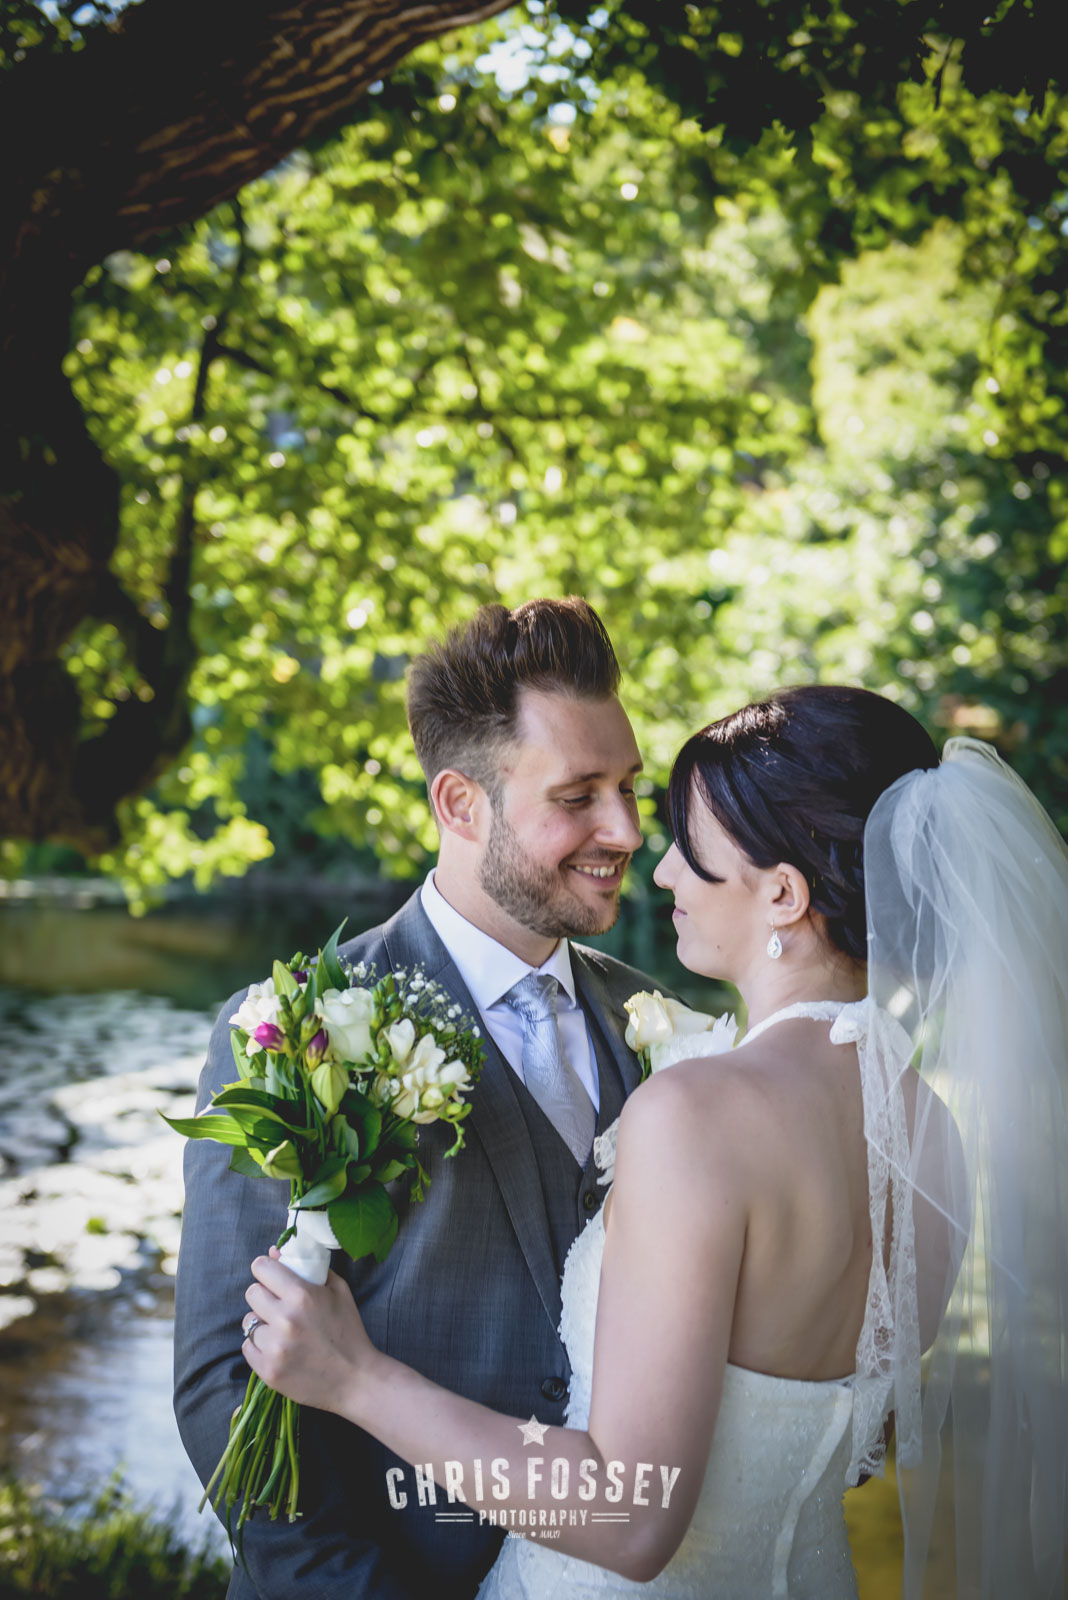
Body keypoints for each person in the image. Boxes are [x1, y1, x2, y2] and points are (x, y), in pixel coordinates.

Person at [240, 684, 1068, 1598]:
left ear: (784, 895)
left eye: (694, 852)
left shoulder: (698, 1111)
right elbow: (854, 1442)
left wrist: (357, 1380)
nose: (659, 869)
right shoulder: (933, 1131)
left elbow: (631, 1519)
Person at [174, 596, 678, 1599]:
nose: (623, 828)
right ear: (460, 804)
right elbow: (226, 1387)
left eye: (629, 787)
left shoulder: (652, 1024)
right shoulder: (291, 1026)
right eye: (578, 795)